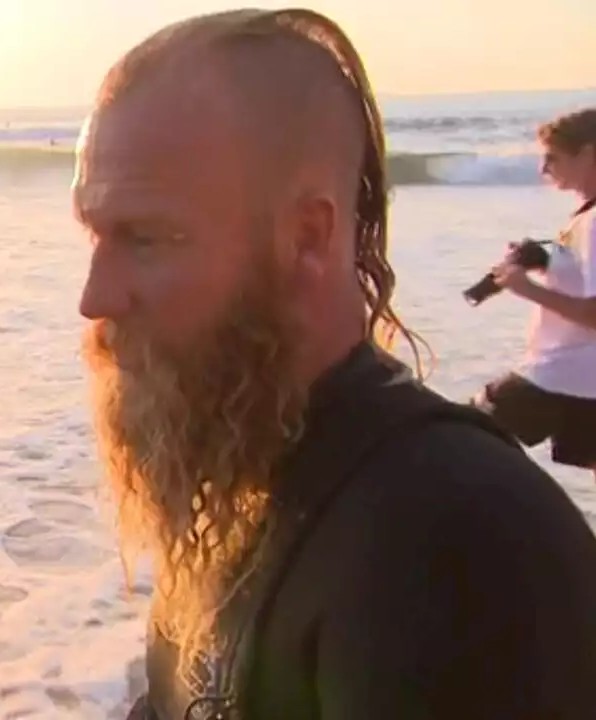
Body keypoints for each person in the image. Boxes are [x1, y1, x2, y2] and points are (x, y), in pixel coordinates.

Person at [74, 8, 596, 720]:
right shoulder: (249, 474)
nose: (95, 297)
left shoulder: (455, 545)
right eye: (95, 236)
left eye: (147, 237)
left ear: (308, 236)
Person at [475, 109, 596, 480]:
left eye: (553, 157)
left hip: (563, 373)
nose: (544, 170)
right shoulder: (586, 216)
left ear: (589, 154)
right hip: (580, 379)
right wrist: (548, 261)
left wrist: (525, 288)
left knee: (468, 435)